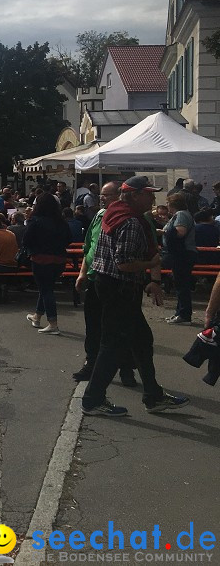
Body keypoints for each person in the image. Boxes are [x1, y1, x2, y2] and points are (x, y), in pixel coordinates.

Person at [81, 176, 189, 417]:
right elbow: (125, 264)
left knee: (141, 340)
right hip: (120, 287)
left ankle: (153, 395)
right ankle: (92, 399)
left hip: (109, 284)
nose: (153, 198)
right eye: (149, 194)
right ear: (134, 195)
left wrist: (152, 278)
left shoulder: (112, 213)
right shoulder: (130, 222)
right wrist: (150, 264)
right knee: (113, 345)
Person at [72, 182, 136, 385]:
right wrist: (82, 273)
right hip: (95, 278)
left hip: (121, 282)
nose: (101, 199)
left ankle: (127, 369)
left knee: (123, 328)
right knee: (93, 326)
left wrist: (155, 279)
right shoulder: (99, 216)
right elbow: (88, 246)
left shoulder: (133, 218)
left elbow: (151, 249)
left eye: (106, 195)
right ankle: (91, 364)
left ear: (119, 196)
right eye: (101, 195)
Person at [22, 193, 71, 336]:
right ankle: (37, 316)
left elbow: (26, 241)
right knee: (47, 287)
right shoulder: (61, 222)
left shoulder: (36, 221)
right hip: (59, 259)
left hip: (41, 259)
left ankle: (53, 323)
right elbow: (68, 239)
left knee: (46, 290)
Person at [162, 192, 197, 325]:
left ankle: (184, 314)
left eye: (168, 203)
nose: (166, 206)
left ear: (173, 204)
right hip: (182, 254)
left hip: (183, 254)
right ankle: (179, 313)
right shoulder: (180, 215)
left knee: (182, 284)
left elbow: (180, 232)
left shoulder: (181, 215)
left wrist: (164, 231)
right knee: (179, 283)